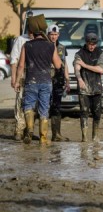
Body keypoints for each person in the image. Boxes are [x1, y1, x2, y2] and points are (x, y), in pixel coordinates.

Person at [14, 14, 62, 145]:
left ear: (33, 32)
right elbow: (58, 65)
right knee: (44, 109)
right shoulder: (50, 46)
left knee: (28, 106)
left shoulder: (27, 45)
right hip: (46, 81)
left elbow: (21, 65)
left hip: (31, 81)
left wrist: (17, 81)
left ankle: (29, 130)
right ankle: (43, 138)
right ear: (43, 31)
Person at [73, 33, 103, 142]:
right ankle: (84, 137)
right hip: (84, 89)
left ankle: (95, 136)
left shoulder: (100, 53)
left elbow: (101, 69)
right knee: (84, 112)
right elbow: (77, 68)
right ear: (86, 43)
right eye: (90, 44)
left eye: (94, 44)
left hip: (96, 87)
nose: (92, 46)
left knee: (97, 113)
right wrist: (79, 79)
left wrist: (85, 65)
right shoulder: (79, 54)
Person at [47, 24, 70, 141]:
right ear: (48, 35)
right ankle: (44, 134)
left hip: (58, 81)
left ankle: (56, 134)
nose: (54, 37)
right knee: (45, 107)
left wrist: (67, 80)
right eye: (51, 34)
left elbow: (65, 64)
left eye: (56, 34)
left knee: (57, 107)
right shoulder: (44, 46)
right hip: (46, 81)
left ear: (59, 35)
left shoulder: (62, 47)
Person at [10, 31, 33, 141]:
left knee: (32, 105)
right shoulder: (21, 40)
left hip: (35, 77)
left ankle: (28, 130)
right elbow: (14, 60)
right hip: (22, 75)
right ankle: (19, 130)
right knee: (20, 102)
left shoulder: (41, 39)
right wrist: (14, 78)